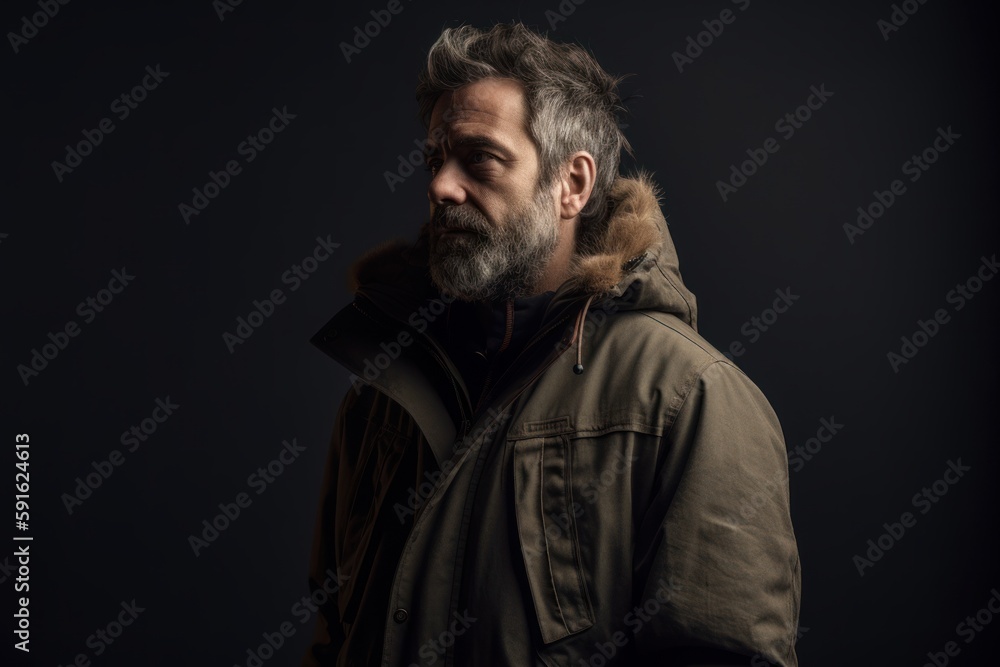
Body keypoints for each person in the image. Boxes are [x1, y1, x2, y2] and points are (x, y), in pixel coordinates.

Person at [303, 22, 800, 667]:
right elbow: (332, 635)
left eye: (479, 158)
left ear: (573, 184)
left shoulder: (690, 399)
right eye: (435, 160)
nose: (441, 187)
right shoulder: (379, 401)